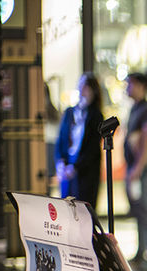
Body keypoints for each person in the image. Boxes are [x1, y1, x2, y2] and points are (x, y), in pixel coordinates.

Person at [124, 72, 147, 271]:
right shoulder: (136, 108)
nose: (128, 88)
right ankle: (141, 251)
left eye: (130, 84)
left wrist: (138, 167)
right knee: (139, 210)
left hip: (143, 169)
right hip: (136, 167)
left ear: (141, 86)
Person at [54, 73, 103, 209]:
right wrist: (60, 162)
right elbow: (61, 139)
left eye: (86, 87)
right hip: (68, 167)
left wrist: (76, 167)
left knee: (84, 210)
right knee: (67, 207)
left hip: (85, 172)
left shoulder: (96, 115)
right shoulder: (70, 112)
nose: (83, 91)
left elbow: (92, 148)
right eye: (81, 86)